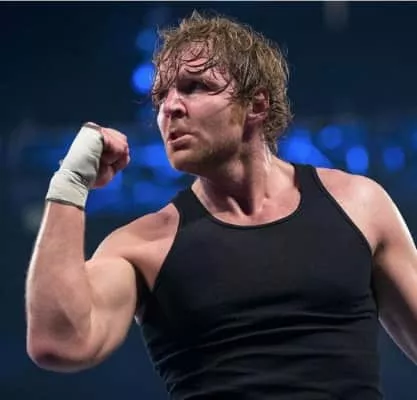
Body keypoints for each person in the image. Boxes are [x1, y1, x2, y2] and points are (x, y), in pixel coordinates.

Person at [25, 11, 417, 400]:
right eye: (161, 96)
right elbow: (59, 342)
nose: (170, 108)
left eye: (195, 87)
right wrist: (69, 183)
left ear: (256, 105)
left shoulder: (359, 205)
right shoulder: (142, 246)